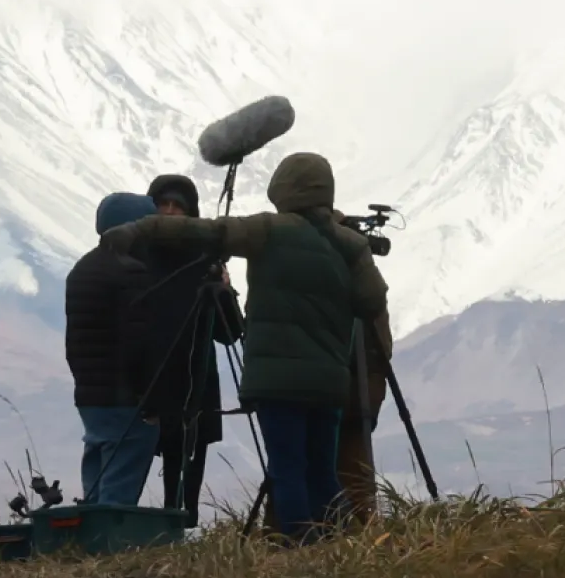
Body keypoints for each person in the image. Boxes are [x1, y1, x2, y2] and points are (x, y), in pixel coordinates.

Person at [214, 148, 389, 538]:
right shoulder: (343, 248)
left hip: (278, 383)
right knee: (324, 475)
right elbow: (372, 304)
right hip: (328, 383)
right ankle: (351, 543)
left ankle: (299, 549)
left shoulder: (273, 236)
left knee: (288, 471)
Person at [60, 175, 236, 511]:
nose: (169, 214)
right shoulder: (134, 266)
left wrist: (222, 290)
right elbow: (129, 334)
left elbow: (228, 333)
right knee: (123, 458)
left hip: (190, 378)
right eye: (162, 206)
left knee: (177, 459)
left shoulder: (201, 262)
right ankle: (119, 529)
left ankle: (170, 522)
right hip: (144, 382)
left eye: (178, 207)